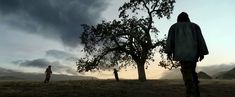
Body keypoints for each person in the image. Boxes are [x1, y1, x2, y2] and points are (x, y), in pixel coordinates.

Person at [165, 12, 209, 97]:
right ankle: (196, 92)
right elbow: (200, 40)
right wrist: (202, 53)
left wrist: (169, 52)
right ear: (188, 18)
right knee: (192, 73)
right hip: (193, 55)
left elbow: (170, 40)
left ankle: (191, 94)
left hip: (182, 55)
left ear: (178, 19)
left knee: (187, 76)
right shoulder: (195, 26)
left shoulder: (174, 27)